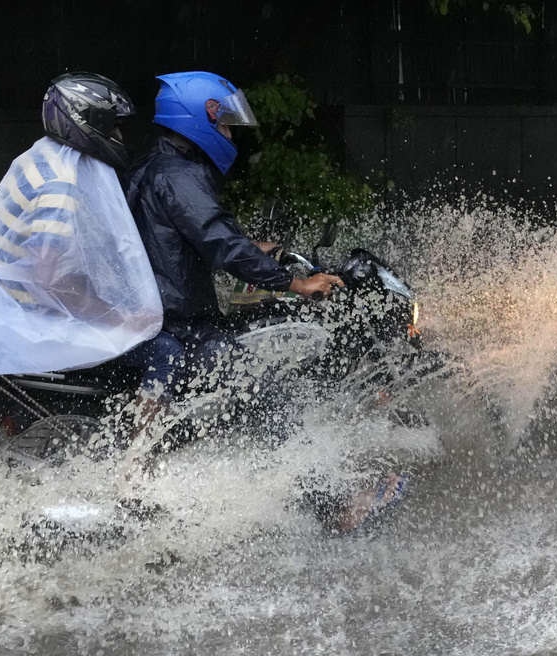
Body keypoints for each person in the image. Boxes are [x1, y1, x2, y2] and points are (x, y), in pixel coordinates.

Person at [125, 70, 406, 532]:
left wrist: (250, 248)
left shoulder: (149, 165)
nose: (231, 135)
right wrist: (294, 283)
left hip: (151, 315)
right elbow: (216, 240)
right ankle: (333, 507)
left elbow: (178, 238)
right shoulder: (179, 174)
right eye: (226, 126)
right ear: (201, 118)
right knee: (268, 391)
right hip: (178, 325)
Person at [0, 72, 174, 476]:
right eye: (115, 125)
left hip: (12, 308)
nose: (122, 136)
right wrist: (117, 316)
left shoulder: (39, 158)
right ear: (87, 122)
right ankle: (137, 470)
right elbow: (51, 276)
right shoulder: (61, 182)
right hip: (44, 316)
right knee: (166, 352)